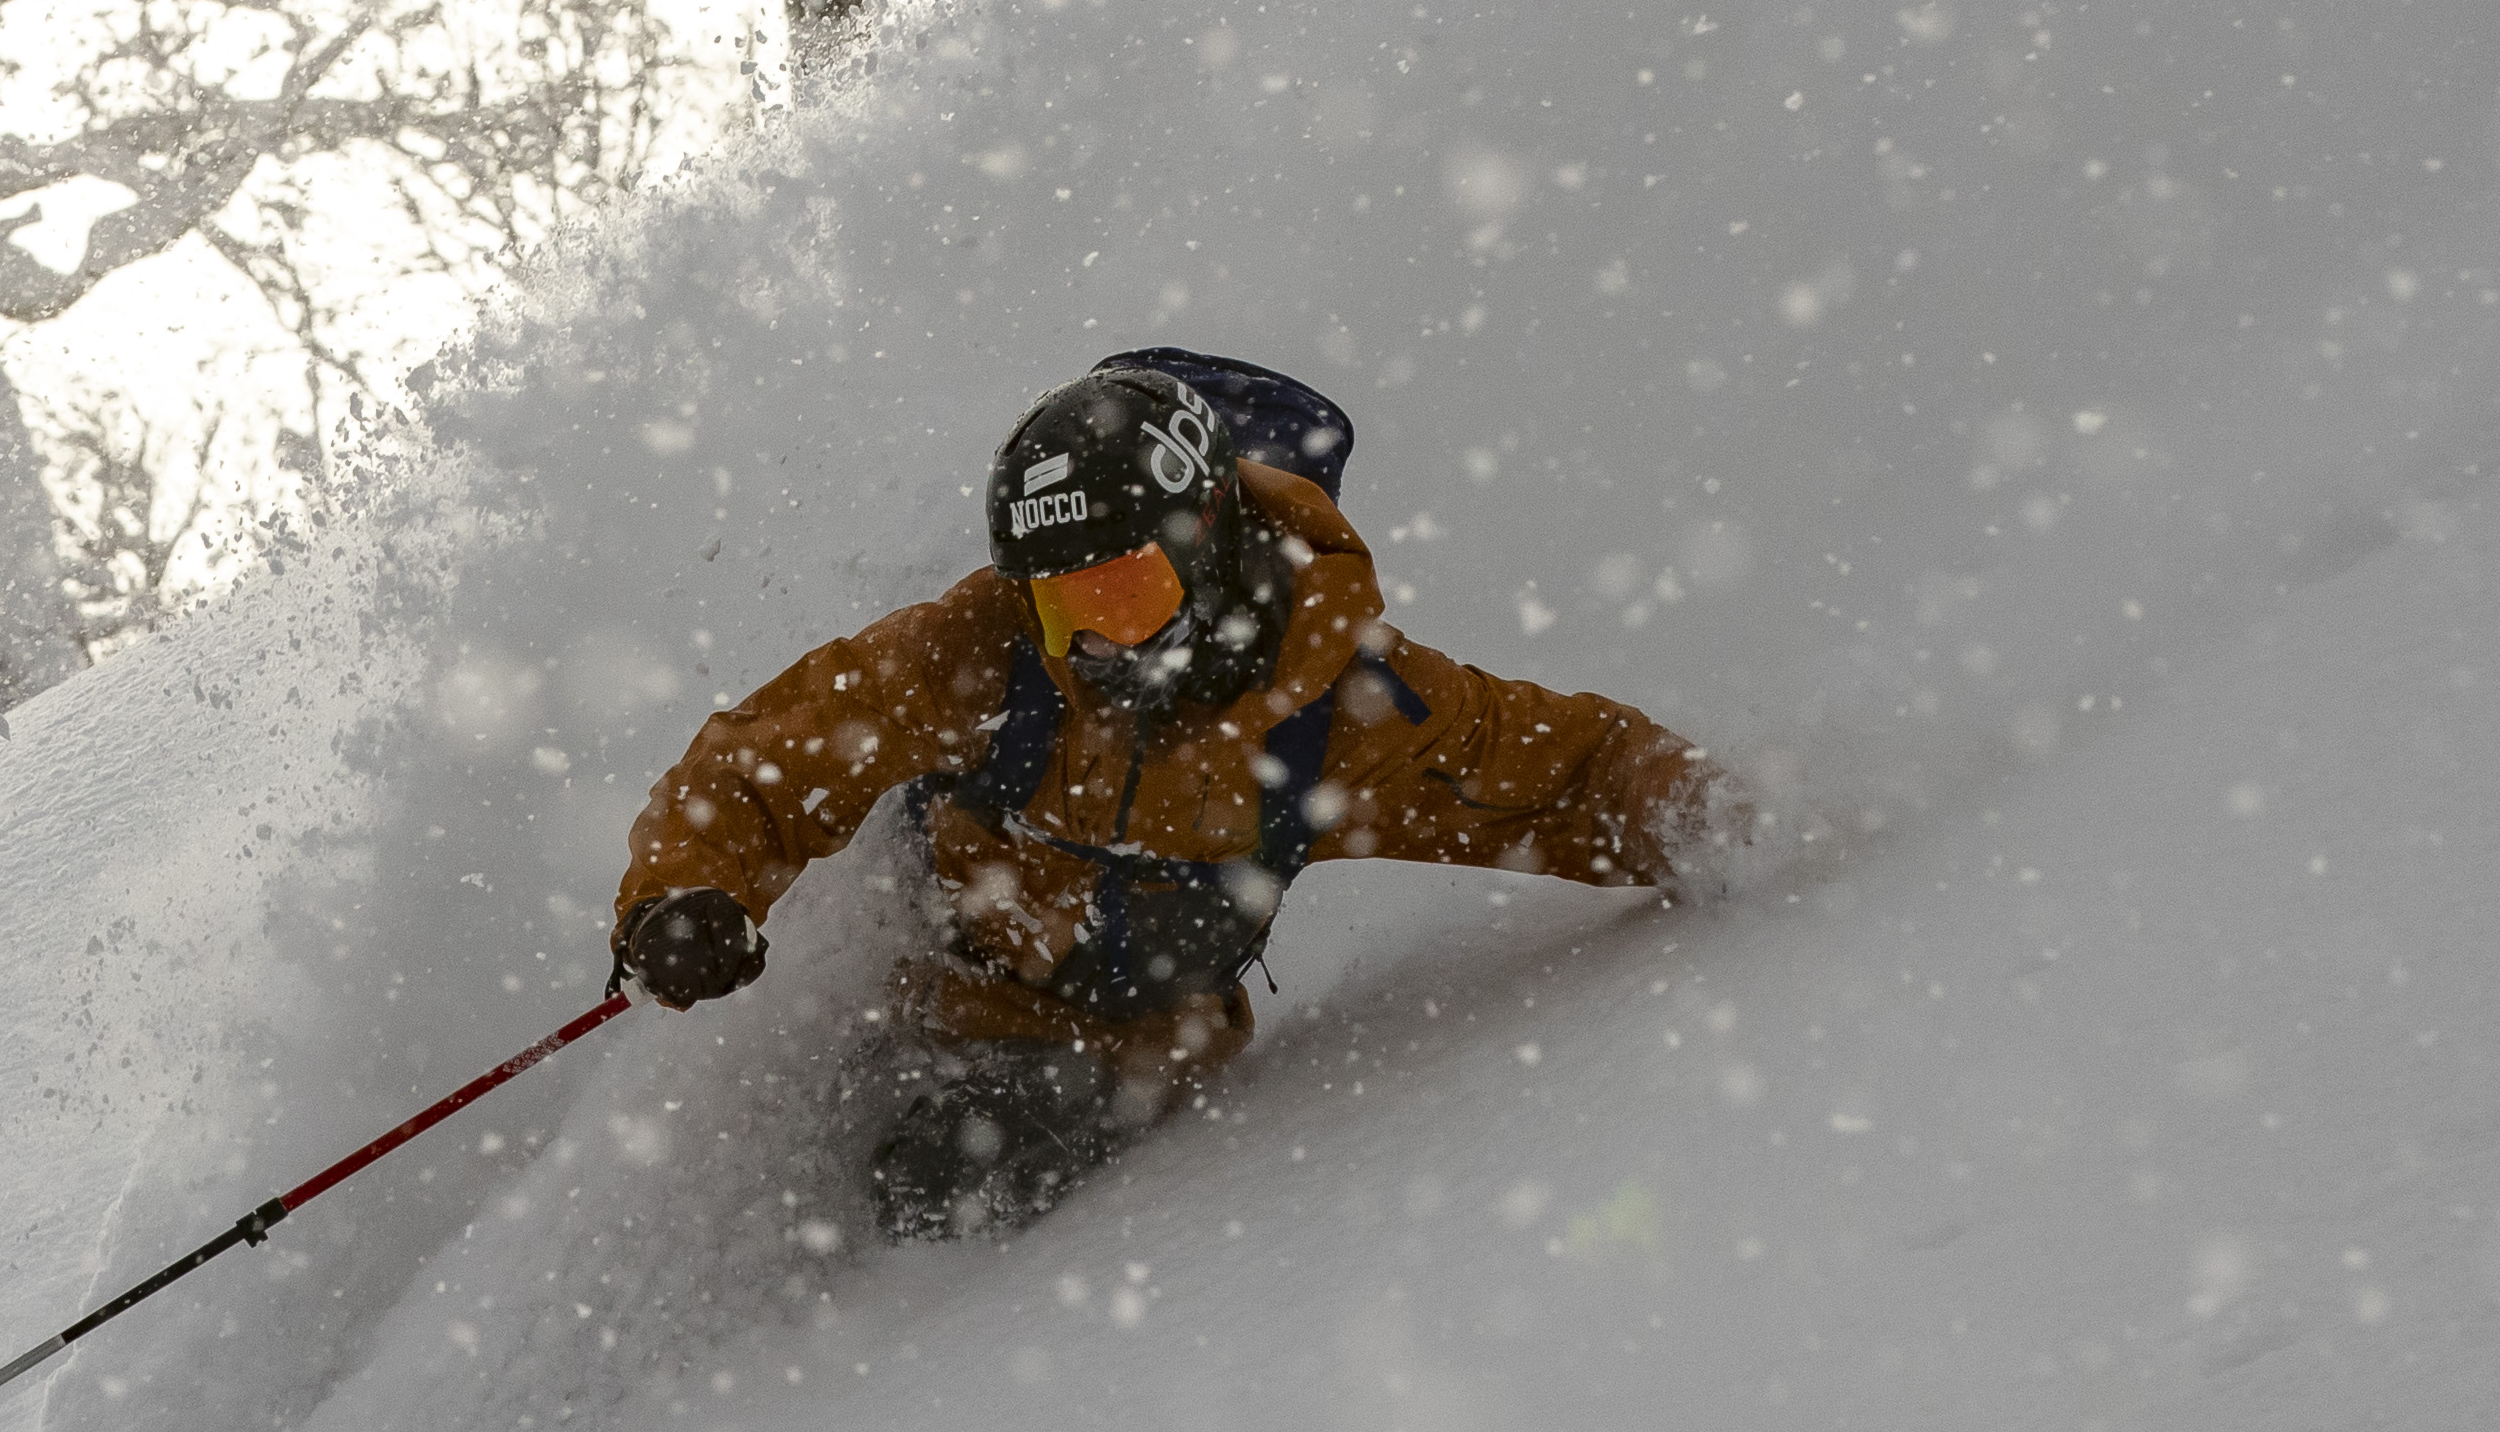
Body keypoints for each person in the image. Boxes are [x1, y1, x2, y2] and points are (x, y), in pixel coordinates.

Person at [607, 355, 1734, 1238]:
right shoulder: (984, 653)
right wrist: (683, 899)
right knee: (809, 1167)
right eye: (1063, 607)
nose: (1093, 641)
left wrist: (1713, 820)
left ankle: (907, 1337)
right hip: (923, 990)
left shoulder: (1329, 713)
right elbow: (765, 759)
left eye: (1127, 594)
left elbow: (1572, 772)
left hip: (1119, 1051)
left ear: (1207, 545)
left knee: (941, 1192)